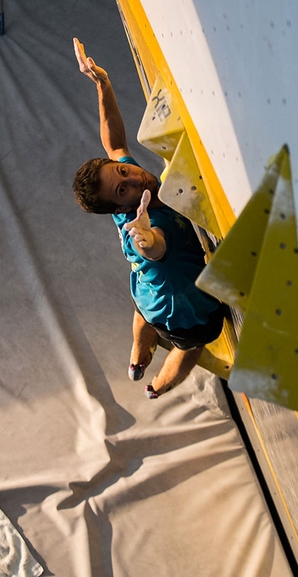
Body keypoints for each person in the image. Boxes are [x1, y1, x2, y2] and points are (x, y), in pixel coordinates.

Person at [72, 38, 224, 399]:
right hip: (184, 314)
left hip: (147, 297)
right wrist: (146, 239)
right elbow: (156, 248)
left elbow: (115, 144)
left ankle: (138, 358)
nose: (134, 179)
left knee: (142, 314)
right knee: (189, 350)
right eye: (122, 190)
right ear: (121, 210)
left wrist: (103, 84)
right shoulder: (144, 229)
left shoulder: (127, 185)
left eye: (122, 174)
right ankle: (157, 386)